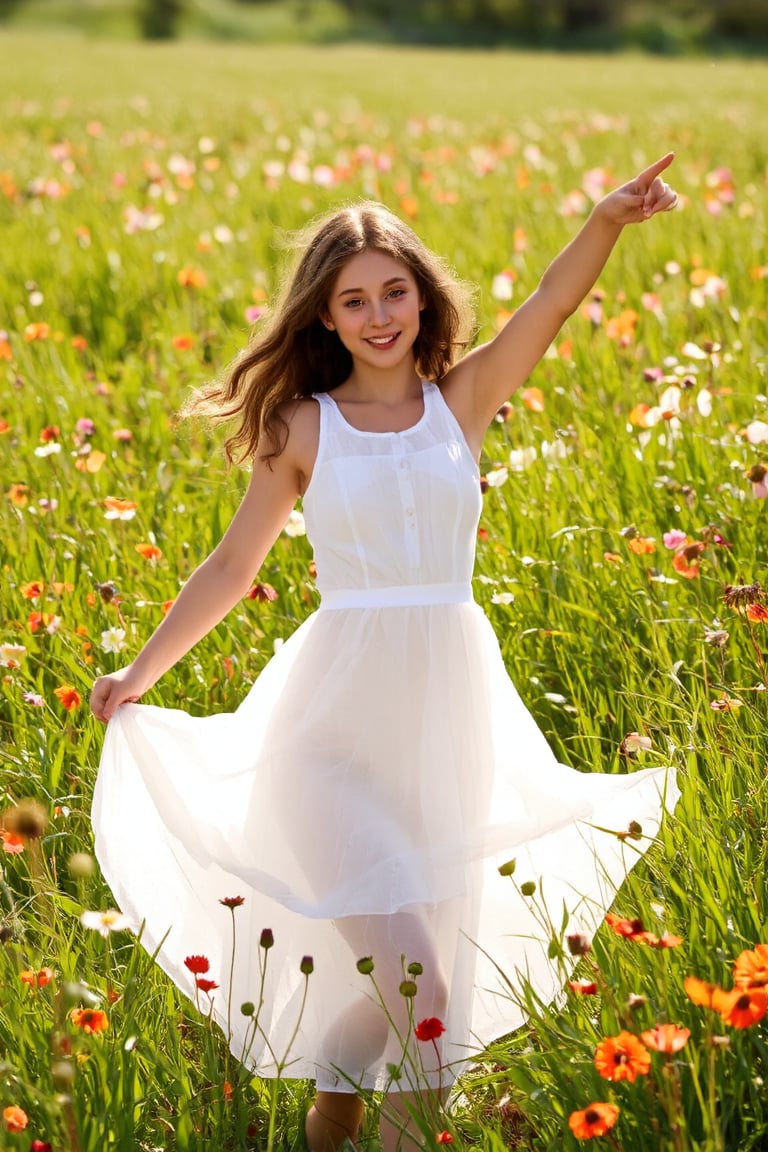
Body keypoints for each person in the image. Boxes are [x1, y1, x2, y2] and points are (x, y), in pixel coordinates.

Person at [90, 154, 681, 1151]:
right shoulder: (305, 427)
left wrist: (606, 222)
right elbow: (233, 566)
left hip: (449, 734)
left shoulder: (464, 403)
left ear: (421, 297)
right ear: (323, 316)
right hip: (328, 740)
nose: (377, 315)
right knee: (428, 998)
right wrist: (137, 675)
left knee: (423, 990)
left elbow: (551, 302)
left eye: (394, 292)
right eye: (352, 299)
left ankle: (333, 1101)